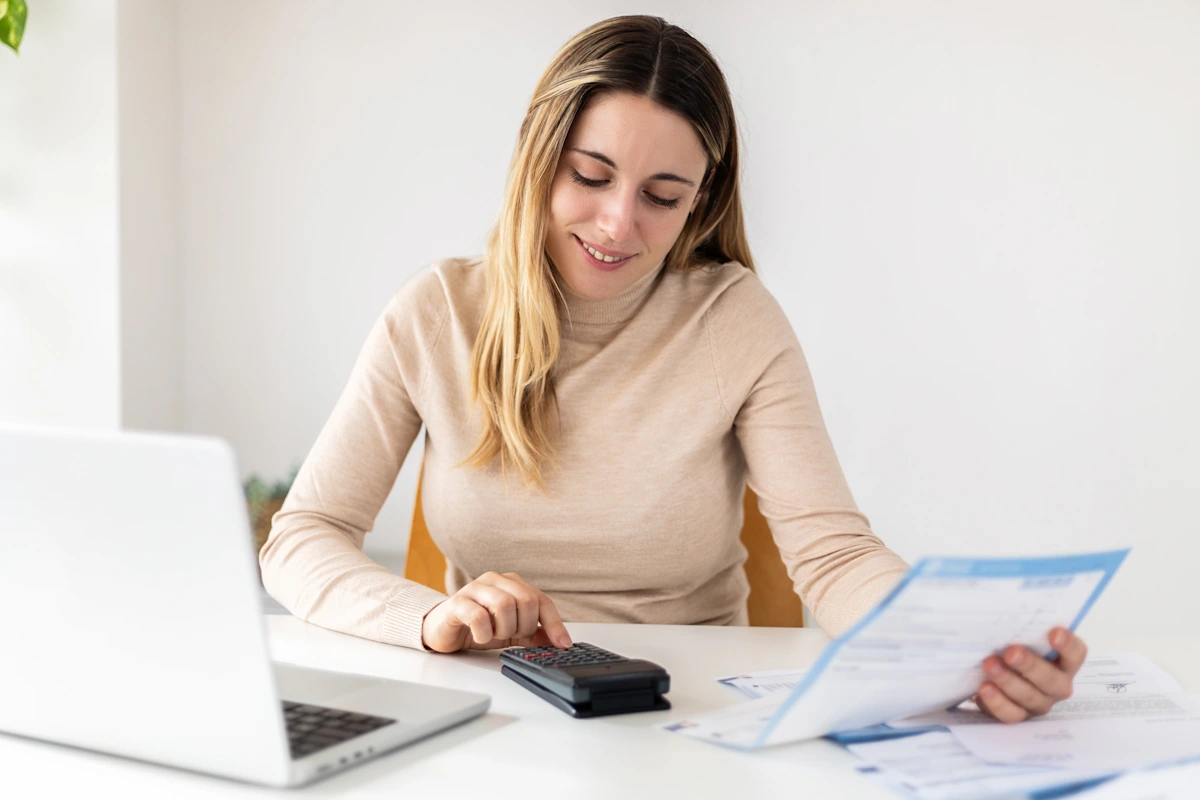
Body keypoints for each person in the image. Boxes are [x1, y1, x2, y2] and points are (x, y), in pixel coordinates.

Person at [260, 15, 1086, 724]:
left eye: (663, 194)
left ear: (702, 198)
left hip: (688, 714)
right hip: (501, 709)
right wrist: (435, 616)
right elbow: (301, 539)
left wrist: (967, 654)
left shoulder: (734, 319)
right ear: (536, 157)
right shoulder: (435, 313)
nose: (619, 224)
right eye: (590, 175)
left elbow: (833, 559)